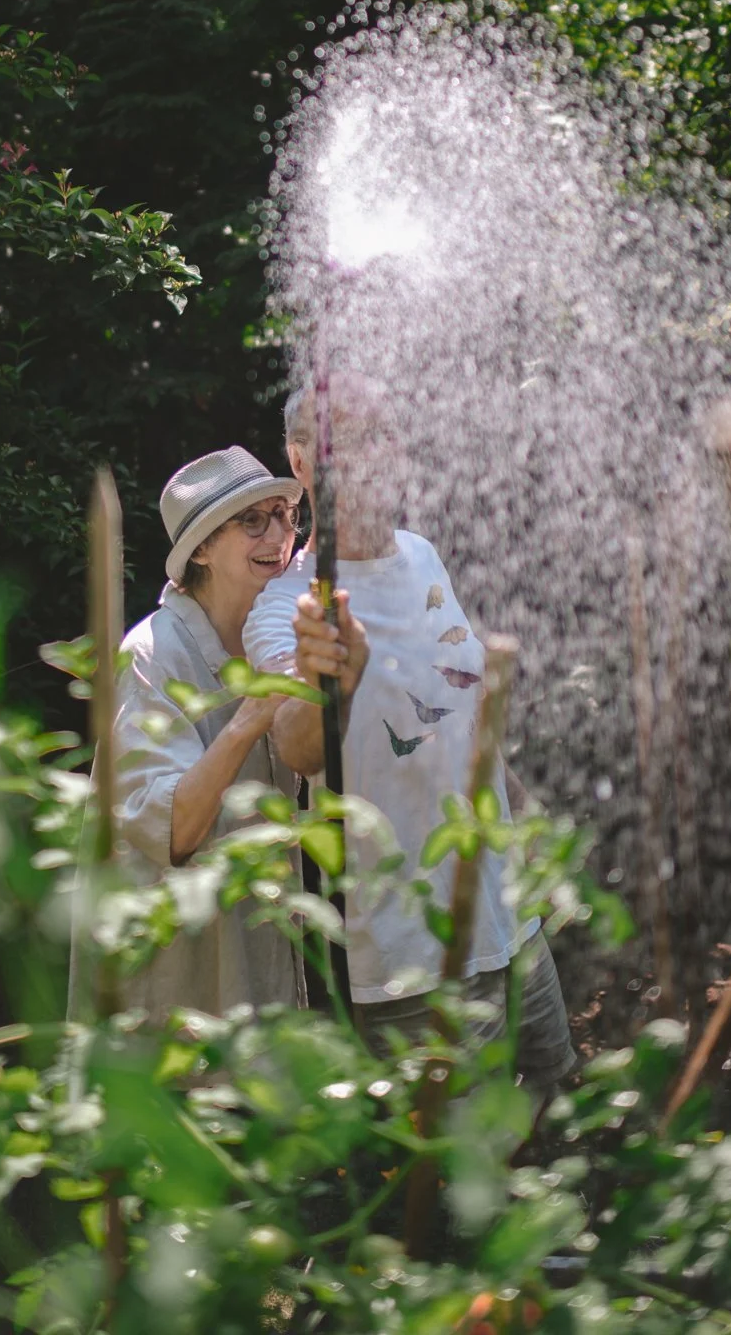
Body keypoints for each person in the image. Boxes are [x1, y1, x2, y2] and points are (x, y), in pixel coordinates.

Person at [243, 375, 576, 1090]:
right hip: (406, 960)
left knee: (551, 1092)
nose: (375, 454)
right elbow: (298, 749)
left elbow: (455, 709)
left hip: (504, 915)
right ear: (301, 462)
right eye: (349, 440)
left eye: (383, 434)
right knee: (455, 1175)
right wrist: (332, 677)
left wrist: (525, 814)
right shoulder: (283, 609)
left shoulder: (422, 554)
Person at [73, 445, 307, 1024]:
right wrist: (252, 716)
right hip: (171, 975)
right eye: (253, 520)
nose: (279, 534)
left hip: (259, 952)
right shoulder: (151, 654)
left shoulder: (276, 639)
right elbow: (172, 831)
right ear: (201, 549)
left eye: (285, 514)